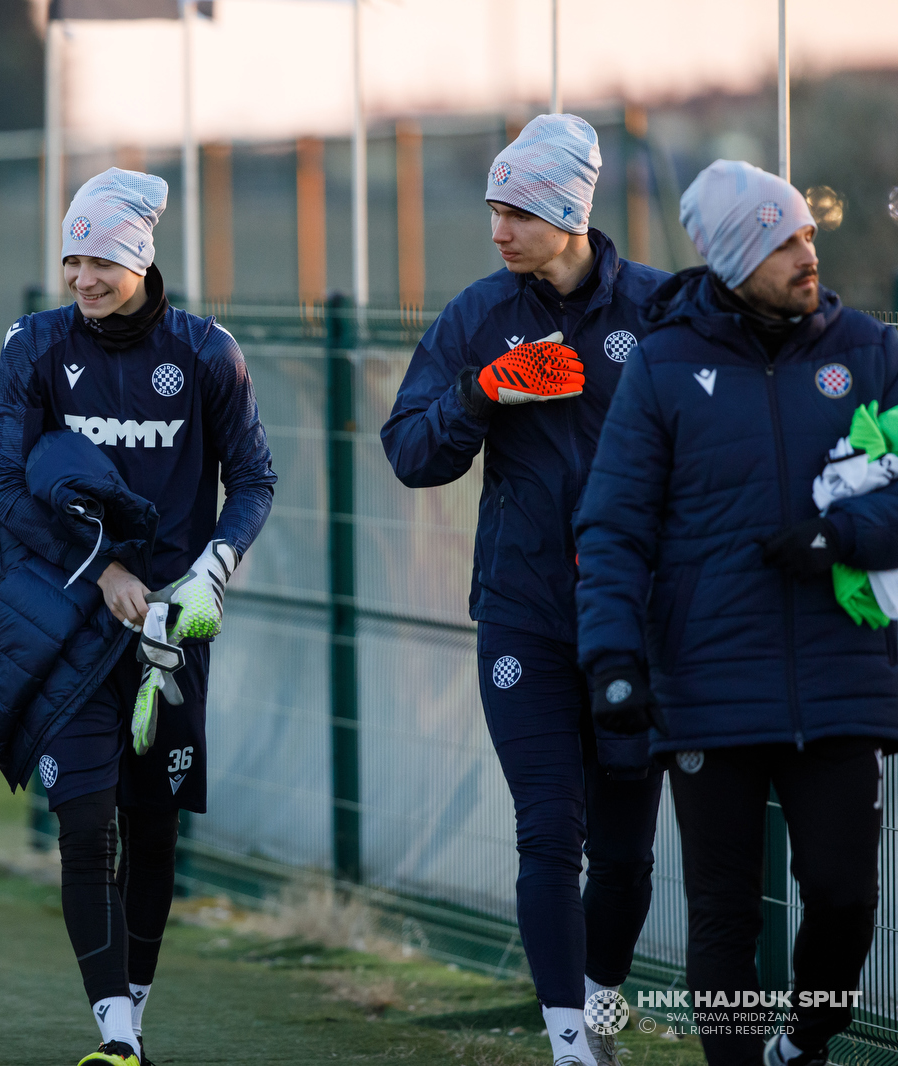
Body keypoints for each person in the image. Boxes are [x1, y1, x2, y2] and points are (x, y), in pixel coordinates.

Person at [0, 167, 276, 1066]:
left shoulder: (206, 354)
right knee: (86, 827)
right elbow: (5, 485)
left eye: (102, 260)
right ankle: (116, 1035)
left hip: (170, 633)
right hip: (72, 628)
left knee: (154, 832)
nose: (83, 278)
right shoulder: (35, 347)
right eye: (72, 257)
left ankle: (133, 1008)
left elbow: (256, 480)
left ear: (142, 259)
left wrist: (210, 571)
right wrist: (105, 570)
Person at [576, 160, 898, 1066]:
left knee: (843, 897)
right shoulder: (664, 369)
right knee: (721, 914)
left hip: (843, 680)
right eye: (783, 239)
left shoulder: (871, 352)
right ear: (733, 259)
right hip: (708, 684)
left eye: (807, 233)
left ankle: (805, 1040)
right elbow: (611, 528)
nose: (808, 253)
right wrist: (612, 660)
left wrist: (843, 536)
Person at [380, 115, 671, 1066]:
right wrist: (481, 393)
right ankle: (567, 1044)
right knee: (549, 828)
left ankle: (599, 1007)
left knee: (627, 858)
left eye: (516, 211)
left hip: (635, 623)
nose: (498, 229)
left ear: (567, 213)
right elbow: (409, 452)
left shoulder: (660, 313)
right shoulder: (478, 316)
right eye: (494, 208)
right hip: (522, 615)